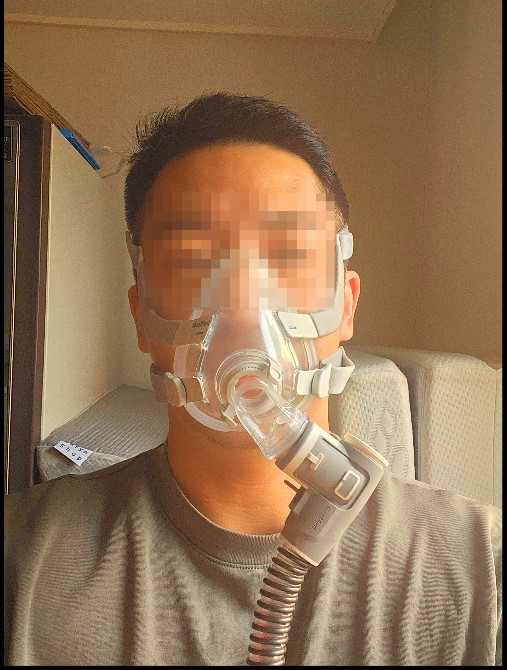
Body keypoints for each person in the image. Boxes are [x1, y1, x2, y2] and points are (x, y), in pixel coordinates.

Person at [4, 92, 501, 666]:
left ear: (345, 306)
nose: (243, 302)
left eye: (288, 253)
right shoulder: (24, 563)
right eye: (193, 260)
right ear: (142, 316)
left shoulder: (480, 573)